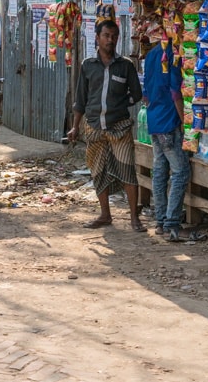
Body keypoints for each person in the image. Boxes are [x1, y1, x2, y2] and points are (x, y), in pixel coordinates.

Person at [67, 18, 144, 231]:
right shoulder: (87, 65)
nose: (110, 40)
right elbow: (80, 99)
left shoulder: (126, 65)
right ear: (98, 38)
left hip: (119, 127)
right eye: (106, 36)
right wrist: (75, 126)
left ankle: (134, 219)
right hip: (93, 127)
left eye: (114, 37)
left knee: (127, 170)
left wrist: (121, 104)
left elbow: (136, 94)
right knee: (98, 171)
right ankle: (105, 215)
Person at [140, 23, 189, 241]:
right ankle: (171, 222)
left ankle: (160, 221)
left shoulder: (151, 56)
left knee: (160, 170)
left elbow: (147, 93)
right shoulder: (172, 54)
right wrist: (183, 120)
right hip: (169, 121)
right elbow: (175, 91)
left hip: (153, 120)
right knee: (180, 171)